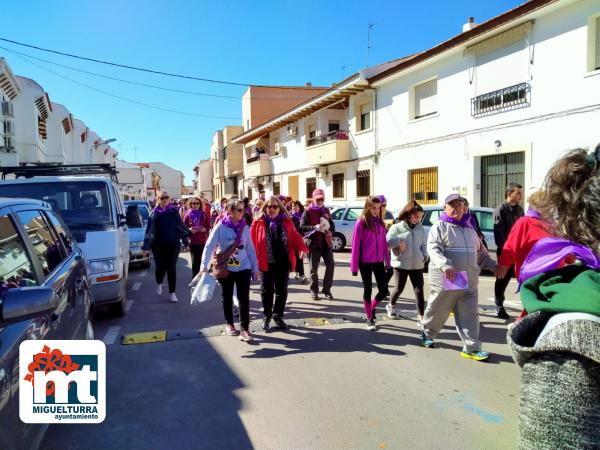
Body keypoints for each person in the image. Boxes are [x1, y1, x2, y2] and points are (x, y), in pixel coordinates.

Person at [507, 147, 600, 449]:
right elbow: (513, 248)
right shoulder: (523, 223)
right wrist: (506, 271)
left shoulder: (545, 225)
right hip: (538, 277)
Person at [421, 193, 497, 361]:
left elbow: (481, 253)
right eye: (452, 205)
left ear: (464, 207)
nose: (456, 208)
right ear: (445, 208)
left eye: (459, 205)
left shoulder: (469, 228)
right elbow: (433, 248)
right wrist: (445, 264)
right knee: (440, 308)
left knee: (469, 313)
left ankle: (472, 348)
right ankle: (427, 332)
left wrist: (493, 266)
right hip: (450, 277)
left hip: (469, 278)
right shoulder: (440, 226)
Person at [201, 199, 259, 342]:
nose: (242, 212)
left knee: (243, 297)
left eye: (243, 209)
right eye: (239, 210)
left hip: (243, 266)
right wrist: (204, 266)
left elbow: (250, 248)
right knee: (226, 296)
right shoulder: (220, 227)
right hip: (225, 267)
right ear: (230, 212)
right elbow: (209, 246)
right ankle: (230, 324)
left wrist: (255, 268)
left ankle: (245, 329)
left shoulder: (245, 227)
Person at [251, 197, 308, 331]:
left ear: (280, 208)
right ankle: (266, 316)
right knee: (266, 291)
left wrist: (302, 248)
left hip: (283, 261)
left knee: (281, 291)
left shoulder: (286, 221)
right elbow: (251, 242)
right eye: (269, 207)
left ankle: (278, 315)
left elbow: (295, 236)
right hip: (266, 262)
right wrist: (252, 263)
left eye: (275, 207)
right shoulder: (258, 222)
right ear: (265, 208)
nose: (271, 209)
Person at [350, 196, 390, 330]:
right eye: (373, 208)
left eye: (378, 208)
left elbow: (384, 244)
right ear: (368, 207)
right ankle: (369, 318)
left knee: (384, 290)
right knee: (367, 289)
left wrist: (388, 262)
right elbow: (355, 245)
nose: (376, 210)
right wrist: (354, 266)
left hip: (378, 261)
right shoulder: (361, 222)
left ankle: (371, 308)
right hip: (365, 262)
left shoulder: (380, 223)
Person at [143, 191, 191, 303]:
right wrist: (146, 246)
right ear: (158, 199)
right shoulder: (153, 213)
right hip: (158, 245)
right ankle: (159, 282)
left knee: (171, 268)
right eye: (162, 197)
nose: (165, 199)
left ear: (169, 199)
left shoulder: (173, 211)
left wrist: (186, 242)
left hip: (173, 244)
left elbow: (180, 226)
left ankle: (172, 293)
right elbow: (148, 231)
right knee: (160, 268)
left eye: (166, 197)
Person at [386, 200, 427, 322]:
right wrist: (398, 241)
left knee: (419, 290)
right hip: (401, 264)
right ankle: (391, 305)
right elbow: (387, 244)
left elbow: (424, 244)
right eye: (415, 216)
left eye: (420, 217)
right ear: (409, 214)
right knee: (399, 288)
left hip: (417, 264)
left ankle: (421, 317)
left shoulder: (421, 229)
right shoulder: (396, 227)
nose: (418, 219)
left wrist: (425, 255)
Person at [493, 183, 524, 319]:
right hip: (506, 252)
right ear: (509, 193)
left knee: (518, 277)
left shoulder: (520, 210)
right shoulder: (500, 210)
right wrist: (507, 254)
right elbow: (499, 235)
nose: (520, 196)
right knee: (502, 279)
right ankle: (499, 305)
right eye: (518, 193)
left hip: (517, 252)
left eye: (520, 193)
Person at [300, 189, 335, 300]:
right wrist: (314, 227)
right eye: (318, 199)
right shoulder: (308, 211)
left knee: (331, 265)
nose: (320, 201)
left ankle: (326, 289)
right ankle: (314, 290)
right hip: (314, 244)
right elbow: (302, 227)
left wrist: (331, 232)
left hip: (326, 243)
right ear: (314, 198)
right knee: (313, 269)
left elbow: (332, 225)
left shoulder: (326, 210)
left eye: (322, 199)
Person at [184, 197, 211, 278]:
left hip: (202, 241)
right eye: (193, 203)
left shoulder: (204, 214)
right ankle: (195, 279)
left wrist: (204, 229)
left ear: (200, 204)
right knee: (194, 261)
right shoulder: (187, 214)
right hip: (192, 242)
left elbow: (208, 226)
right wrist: (189, 229)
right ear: (190, 204)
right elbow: (184, 227)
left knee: (202, 261)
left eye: (197, 203)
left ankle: (201, 278)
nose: (195, 205)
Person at [291, 200, 309, 284]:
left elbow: (305, 227)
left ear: (299, 207)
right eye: (292, 206)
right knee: (294, 256)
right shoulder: (290, 216)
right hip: (292, 239)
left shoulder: (303, 216)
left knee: (300, 257)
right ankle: (296, 272)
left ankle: (302, 275)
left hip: (301, 239)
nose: (294, 207)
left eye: (295, 206)